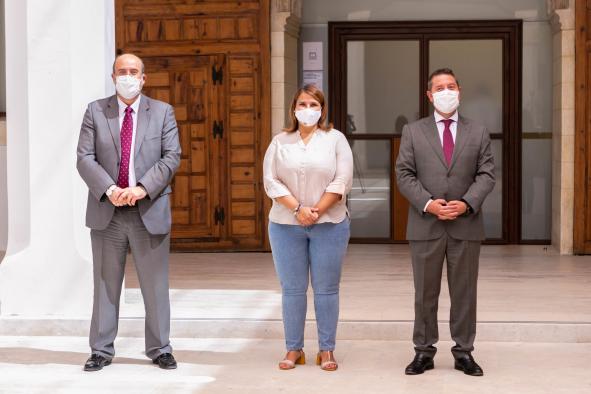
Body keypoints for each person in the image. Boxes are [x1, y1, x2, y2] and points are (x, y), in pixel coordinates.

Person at [77, 53, 181, 371]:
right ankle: (101, 350)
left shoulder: (163, 112)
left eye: (133, 71)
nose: (128, 76)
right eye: (122, 71)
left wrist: (140, 189)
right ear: (113, 77)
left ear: (143, 78)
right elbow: (84, 157)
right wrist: (111, 190)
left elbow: (171, 156)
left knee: (155, 284)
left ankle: (160, 348)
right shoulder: (96, 111)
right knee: (107, 283)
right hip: (108, 210)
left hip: (148, 208)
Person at [395, 68, 495, 376]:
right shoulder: (413, 131)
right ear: (429, 95)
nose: (446, 91)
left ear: (459, 91)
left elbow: (487, 173)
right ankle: (423, 351)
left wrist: (466, 204)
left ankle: (463, 351)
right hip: (426, 224)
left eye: (451, 86)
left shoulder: (478, 131)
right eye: (439, 87)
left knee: (464, 292)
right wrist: (429, 204)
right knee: (424, 293)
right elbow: (404, 174)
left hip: (465, 224)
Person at [263, 84, 353, 371]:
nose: (308, 110)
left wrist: (316, 211)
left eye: (314, 105)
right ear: (293, 109)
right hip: (285, 224)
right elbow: (271, 180)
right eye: (302, 104)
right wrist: (297, 209)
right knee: (292, 289)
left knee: (327, 289)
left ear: (322, 110)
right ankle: (294, 349)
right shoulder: (280, 141)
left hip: (330, 223)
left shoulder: (335, 139)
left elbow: (342, 180)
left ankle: (326, 349)